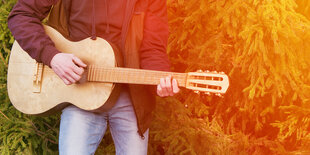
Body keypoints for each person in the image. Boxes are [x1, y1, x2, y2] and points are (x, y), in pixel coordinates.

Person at [8, 0, 179, 154]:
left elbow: (153, 47)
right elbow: (21, 15)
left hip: (130, 97)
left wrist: (159, 81)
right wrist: (52, 57)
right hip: (79, 92)